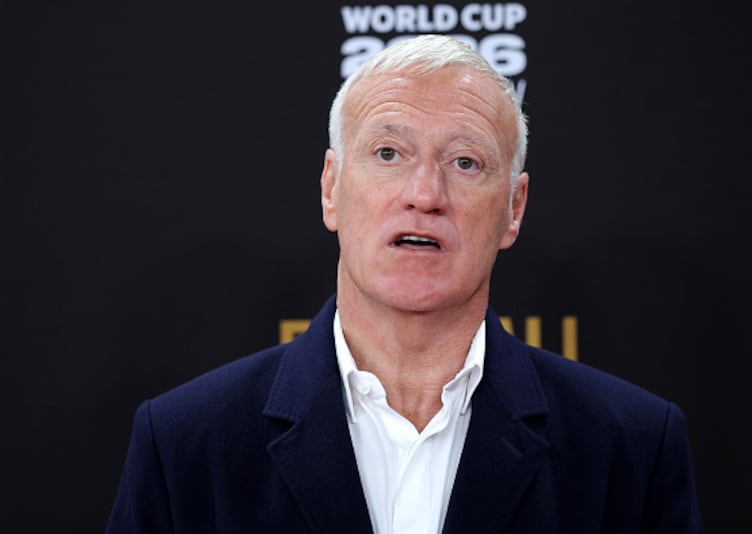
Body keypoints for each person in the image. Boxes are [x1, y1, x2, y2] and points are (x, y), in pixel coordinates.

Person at [106, 35, 703, 533]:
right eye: (389, 153)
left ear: (513, 209)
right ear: (331, 188)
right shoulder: (185, 443)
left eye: (465, 162)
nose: (425, 194)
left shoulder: (631, 447)